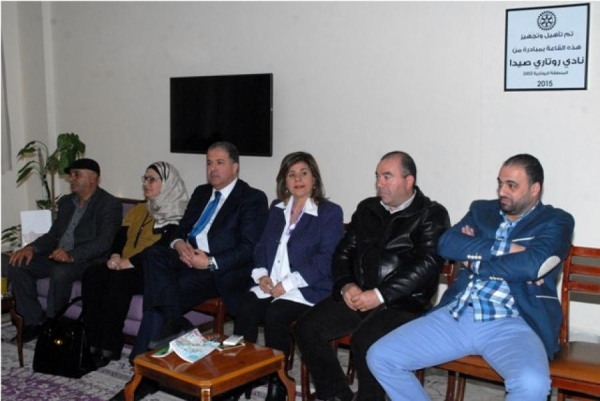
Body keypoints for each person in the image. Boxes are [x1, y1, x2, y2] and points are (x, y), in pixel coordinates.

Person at [367, 154, 575, 401]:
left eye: (512, 185)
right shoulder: (482, 210)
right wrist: (507, 248)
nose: (502, 191)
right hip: (458, 314)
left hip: (512, 322)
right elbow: (447, 244)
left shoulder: (556, 221)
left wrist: (474, 261)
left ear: (535, 188)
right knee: (381, 356)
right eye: (500, 183)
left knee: (533, 384)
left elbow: (533, 264)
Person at [293, 151, 450, 401]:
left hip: (404, 304)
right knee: (307, 328)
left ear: (409, 180)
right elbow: (343, 251)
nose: (379, 183)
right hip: (359, 296)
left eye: (387, 177)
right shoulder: (368, 208)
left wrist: (379, 295)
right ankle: (338, 396)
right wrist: (346, 285)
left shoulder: (431, 214)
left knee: (365, 342)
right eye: (377, 176)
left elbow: (427, 264)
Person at [129, 141, 269, 363]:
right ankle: (175, 325)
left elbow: (248, 248)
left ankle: (141, 363)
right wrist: (178, 244)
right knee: (152, 254)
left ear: (235, 167)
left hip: (218, 270)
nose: (212, 168)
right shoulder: (201, 192)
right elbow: (181, 228)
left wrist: (209, 262)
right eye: (209, 163)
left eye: (219, 163)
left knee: (161, 297)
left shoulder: (252, 198)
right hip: (187, 258)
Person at [234, 152, 344, 401]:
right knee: (246, 307)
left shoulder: (329, 212)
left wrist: (288, 283)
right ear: (284, 181)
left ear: (314, 179)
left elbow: (327, 259)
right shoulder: (277, 208)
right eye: (291, 174)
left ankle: (279, 383)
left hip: (308, 288)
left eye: (304, 173)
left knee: (275, 315)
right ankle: (241, 375)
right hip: (272, 284)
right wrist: (262, 275)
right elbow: (261, 247)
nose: (298, 179)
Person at [82, 161, 188, 367]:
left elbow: (162, 248)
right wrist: (115, 255)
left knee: (118, 281)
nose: (146, 184)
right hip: (123, 262)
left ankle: (110, 346)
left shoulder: (178, 213)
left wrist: (128, 262)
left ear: (167, 184)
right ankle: (91, 341)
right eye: (145, 179)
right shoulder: (139, 209)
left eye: (152, 180)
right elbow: (120, 236)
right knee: (92, 274)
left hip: (149, 269)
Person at [7, 158, 122, 342]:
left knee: (60, 272)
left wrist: (71, 255)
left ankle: (52, 326)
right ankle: (33, 322)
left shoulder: (109, 204)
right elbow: (53, 235)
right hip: (58, 256)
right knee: (17, 263)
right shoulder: (67, 202)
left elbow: (104, 242)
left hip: (87, 261)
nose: (71, 178)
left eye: (76, 174)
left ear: (93, 178)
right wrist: (31, 248)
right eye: (70, 175)